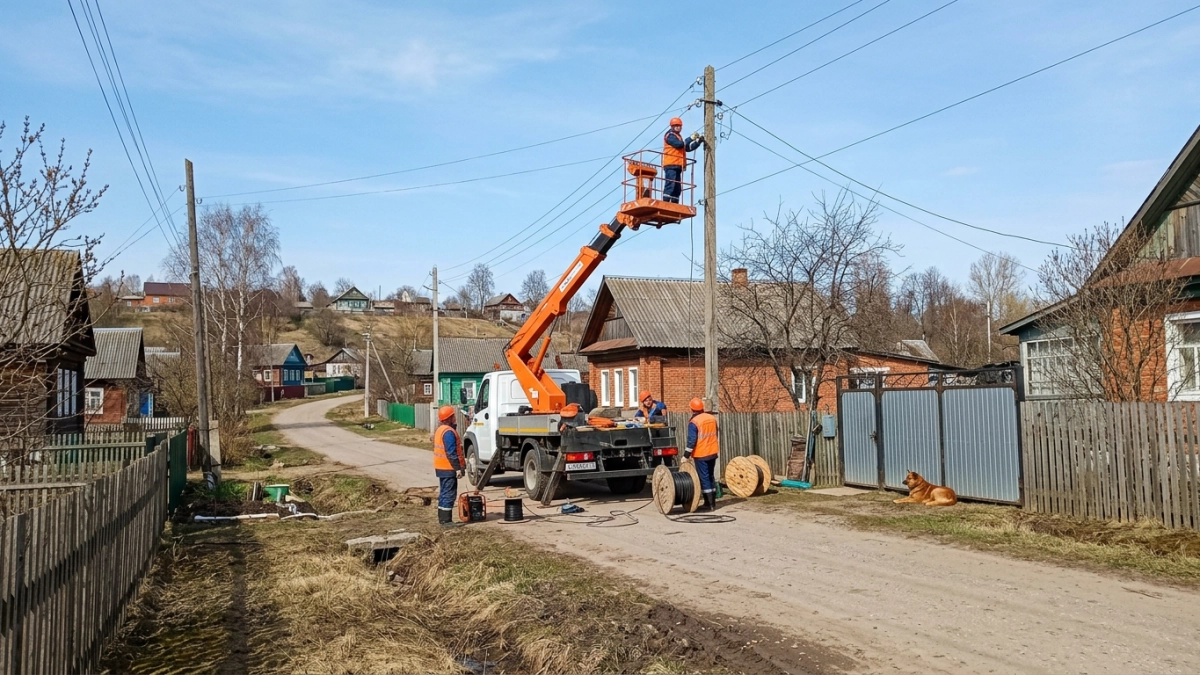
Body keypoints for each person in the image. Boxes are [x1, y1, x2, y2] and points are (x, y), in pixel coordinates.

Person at [684, 397, 719, 511]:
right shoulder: (711, 418)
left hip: (701, 454)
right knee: (711, 476)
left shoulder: (694, 422)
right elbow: (715, 433)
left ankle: (708, 503)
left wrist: (685, 456)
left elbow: (691, 441)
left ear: (692, 409)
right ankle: (713, 502)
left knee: (704, 478)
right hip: (713, 452)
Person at [433, 404, 465, 528]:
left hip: (441, 467)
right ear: (449, 418)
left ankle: (443, 519)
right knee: (449, 494)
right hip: (448, 468)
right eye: (453, 416)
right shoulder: (448, 432)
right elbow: (451, 452)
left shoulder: (440, 430)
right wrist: (457, 469)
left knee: (444, 492)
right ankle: (446, 521)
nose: (455, 418)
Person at [662, 117, 703, 203]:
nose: (678, 127)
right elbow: (679, 144)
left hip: (678, 165)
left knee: (677, 187)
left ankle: (674, 202)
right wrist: (690, 138)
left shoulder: (678, 137)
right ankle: (665, 202)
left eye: (679, 126)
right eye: (676, 126)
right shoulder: (669, 135)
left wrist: (698, 142)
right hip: (670, 164)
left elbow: (687, 148)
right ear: (672, 127)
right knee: (670, 184)